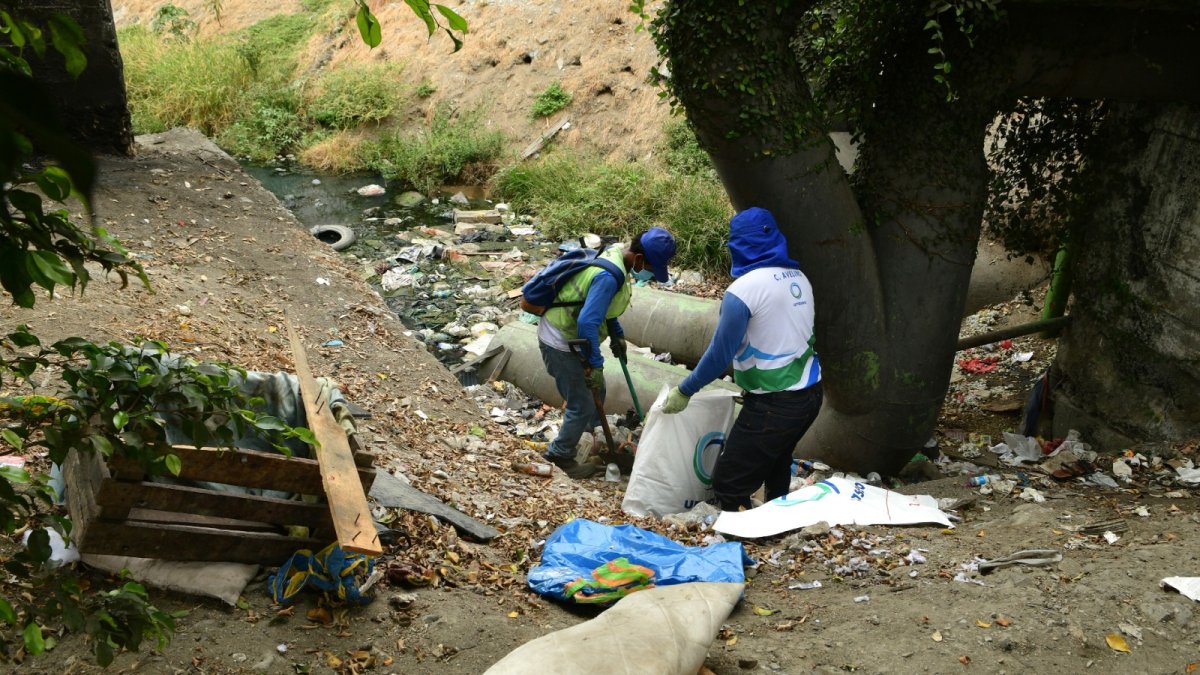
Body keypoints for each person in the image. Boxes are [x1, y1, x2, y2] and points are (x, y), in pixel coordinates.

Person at [662, 207, 822, 510]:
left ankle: (735, 542)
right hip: (811, 395)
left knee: (729, 481)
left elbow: (719, 354)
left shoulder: (743, 291)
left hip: (775, 404)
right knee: (776, 463)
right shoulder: (798, 276)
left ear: (738, 245)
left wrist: (685, 390)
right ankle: (777, 531)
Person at [539, 227, 677, 479]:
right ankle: (560, 455)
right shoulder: (609, 276)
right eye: (649, 266)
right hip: (560, 338)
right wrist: (596, 362)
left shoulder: (615, 255)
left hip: (571, 336)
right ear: (638, 259)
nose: (650, 273)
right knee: (581, 402)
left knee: (598, 391)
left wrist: (617, 333)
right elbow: (587, 323)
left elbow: (602, 307)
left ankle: (591, 439)